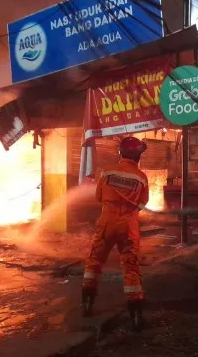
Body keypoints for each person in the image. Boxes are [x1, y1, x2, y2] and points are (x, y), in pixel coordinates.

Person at [82, 137, 149, 330]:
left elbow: (98, 197)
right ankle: (136, 314)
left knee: (94, 261)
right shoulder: (141, 177)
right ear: (138, 155)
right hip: (128, 225)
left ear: (120, 153)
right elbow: (142, 204)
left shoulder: (107, 172)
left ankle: (87, 303)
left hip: (106, 222)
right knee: (130, 266)